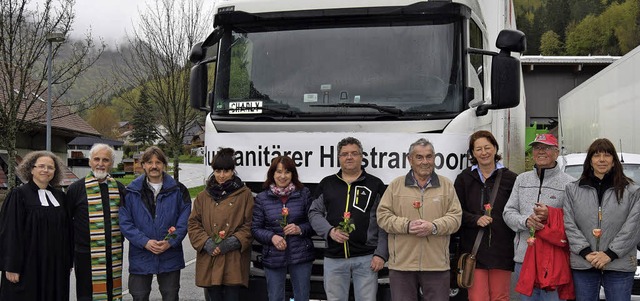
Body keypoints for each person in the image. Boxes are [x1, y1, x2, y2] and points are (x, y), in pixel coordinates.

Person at [377, 138, 462, 301]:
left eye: (429, 157)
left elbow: (456, 218)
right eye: (419, 157)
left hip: (436, 264)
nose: (425, 162)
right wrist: (406, 226)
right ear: (410, 159)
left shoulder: (446, 185)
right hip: (402, 264)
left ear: (434, 158)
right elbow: (382, 216)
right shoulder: (396, 185)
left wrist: (434, 227)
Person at [308, 137, 388, 301]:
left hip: (367, 259)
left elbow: (385, 222)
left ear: (362, 157)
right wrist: (330, 231)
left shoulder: (375, 184)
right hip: (334, 259)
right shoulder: (327, 183)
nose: (349, 157)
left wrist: (381, 254)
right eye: (344, 154)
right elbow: (314, 213)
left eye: (354, 153)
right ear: (339, 158)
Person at [563, 138, 640, 300]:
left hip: (619, 263)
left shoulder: (633, 191)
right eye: (597, 155)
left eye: (607, 155)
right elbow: (569, 223)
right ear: (590, 160)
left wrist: (610, 254)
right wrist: (586, 252)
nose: (602, 160)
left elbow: (634, 226)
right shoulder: (572, 190)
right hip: (584, 262)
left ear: (614, 161)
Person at [503, 134, 575, 300]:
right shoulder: (521, 179)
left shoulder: (570, 183)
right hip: (524, 257)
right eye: (537, 148)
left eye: (547, 147)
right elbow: (508, 212)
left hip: (553, 260)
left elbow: (574, 221)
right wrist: (526, 221)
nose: (541, 151)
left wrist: (551, 215)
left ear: (556, 153)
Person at [119, 146, 191, 301]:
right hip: (141, 255)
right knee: (139, 296)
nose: (154, 166)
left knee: (171, 296)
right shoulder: (131, 192)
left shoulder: (179, 190)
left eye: (158, 162)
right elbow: (125, 223)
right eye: (149, 162)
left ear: (164, 164)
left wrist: (170, 242)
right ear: (143, 165)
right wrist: (144, 242)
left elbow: (184, 222)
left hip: (170, 255)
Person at [453, 130, 517, 301]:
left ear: (495, 148)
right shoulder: (464, 178)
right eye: (478, 149)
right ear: (473, 153)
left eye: (487, 147)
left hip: (502, 248)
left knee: (500, 297)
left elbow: (516, 211)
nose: (484, 153)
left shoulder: (511, 179)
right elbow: (455, 212)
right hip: (473, 249)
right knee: (477, 297)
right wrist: (475, 219)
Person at [0, 151, 72, 301]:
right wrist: (11, 265)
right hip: (27, 265)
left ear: (55, 172)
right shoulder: (18, 195)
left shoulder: (61, 197)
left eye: (50, 167)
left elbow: (68, 231)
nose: (45, 170)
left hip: (55, 265)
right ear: (31, 169)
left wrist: (68, 261)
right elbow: (10, 232)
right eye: (41, 166)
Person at [188, 148, 254, 301]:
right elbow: (193, 224)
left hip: (233, 258)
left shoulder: (245, 195)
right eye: (218, 171)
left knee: (232, 296)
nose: (222, 175)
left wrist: (233, 242)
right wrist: (206, 242)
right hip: (210, 257)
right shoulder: (203, 196)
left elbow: (250, 224)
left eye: (226, 171)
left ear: (233, 171)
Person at [67, 143, 126, 301]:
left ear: (111, 164)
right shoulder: (75, 189)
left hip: (113, 253)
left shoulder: (120, 189)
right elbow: (66, 222)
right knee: (87, 295)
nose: (100, 164)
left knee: (112, 292)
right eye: (97, 159)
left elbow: (127, 220)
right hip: (85, 255)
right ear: (90, 162)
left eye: (105, 160)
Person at [252, 156, 315, 301]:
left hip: (301, 255)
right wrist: (272, 237)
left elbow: (313, 223)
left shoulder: (303, 194)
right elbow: (255, 228)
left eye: (287, 172)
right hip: (273, 256)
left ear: (293, 174)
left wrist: (300, 229)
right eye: (278, 172)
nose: (282, 176)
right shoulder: (262, 198)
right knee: (275, 297)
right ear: (272, 174)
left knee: (302, 296)